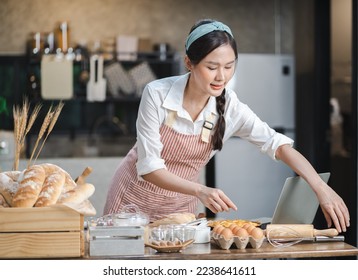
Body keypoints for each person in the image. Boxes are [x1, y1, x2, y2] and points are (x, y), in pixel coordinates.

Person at [104, 19, 350, 233]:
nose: (221, 76)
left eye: (229, 66)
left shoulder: (230, 106)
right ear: (189, 62)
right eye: (212, 67)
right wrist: (201, 190)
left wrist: (320, 187)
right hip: (131, 203)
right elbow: (148, 167)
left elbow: (278, 145)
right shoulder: (156, 94)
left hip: (180, 209)